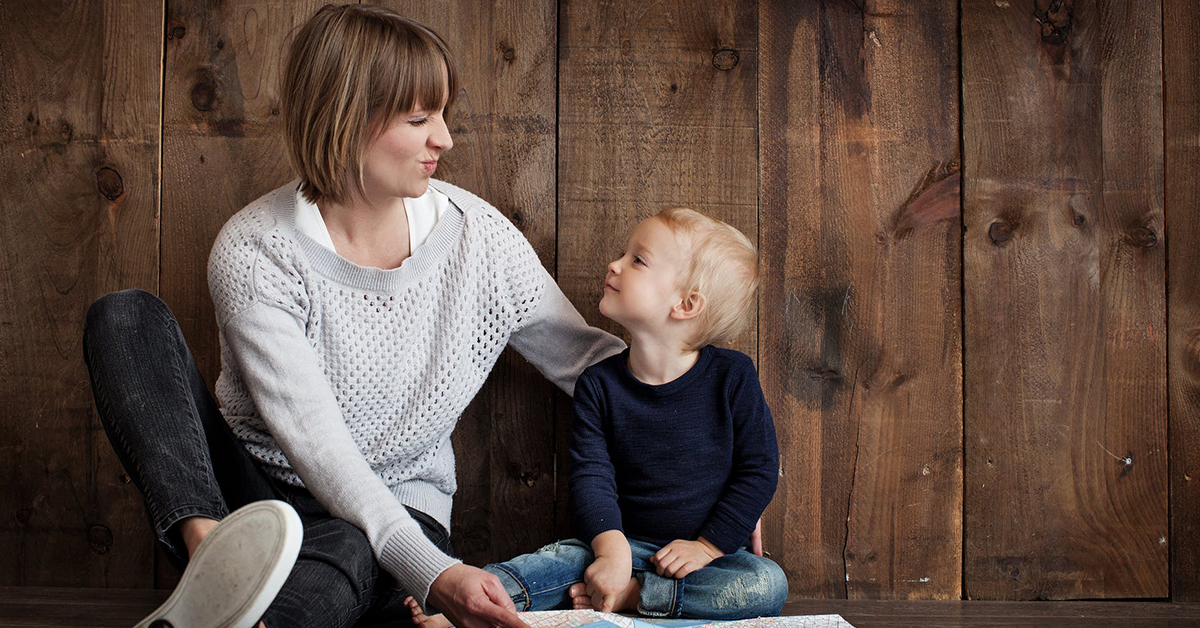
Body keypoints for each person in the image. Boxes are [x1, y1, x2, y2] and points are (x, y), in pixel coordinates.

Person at [81, 4, 624, 627]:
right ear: (345, 120)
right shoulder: (256, 249)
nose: (443, 139)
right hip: (250, 498)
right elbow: (315, 441)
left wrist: (720, 460)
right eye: (420, 118)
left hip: (400, 513)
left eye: (443, 115)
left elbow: (593, 367)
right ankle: (214, 562)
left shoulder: (481, 241)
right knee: (125, 318)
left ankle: (239, 613)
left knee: (347, 543)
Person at [408, 207, 787, 626]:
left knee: (767, 583)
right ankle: (472, 600)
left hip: (703, 558)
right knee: (555, 562)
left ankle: (637, 596)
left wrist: (708, 547)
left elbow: (759, 469)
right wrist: (612, 552)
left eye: (637, 260)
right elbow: (592, 476)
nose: (615, 264)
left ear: (686, 304)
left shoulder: (732, 378)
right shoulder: (599, 384)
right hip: (616, 544)